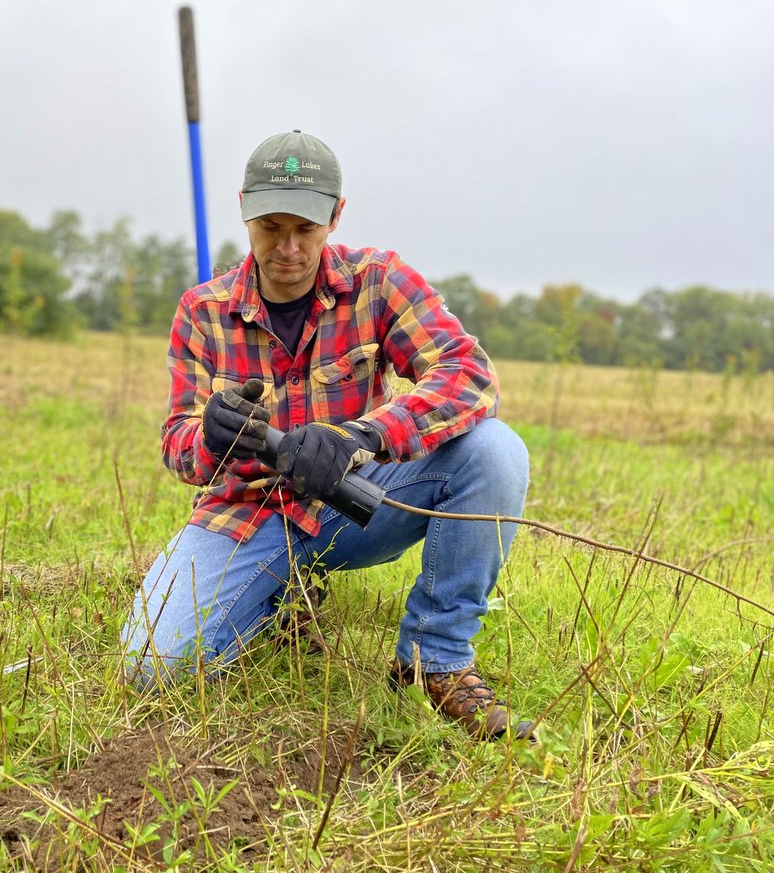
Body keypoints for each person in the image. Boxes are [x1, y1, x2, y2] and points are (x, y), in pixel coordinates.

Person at [120, 130, 534, 741]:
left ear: (335, 216)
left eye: (305, 229)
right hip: (246, 513)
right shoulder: (202, 311)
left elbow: (468, 374)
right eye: (270, 227)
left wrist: (362, 435)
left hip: (356, 501)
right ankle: (275, 602)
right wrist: (207, 437)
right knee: (152, 669)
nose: (287, 248)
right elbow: (179, 447)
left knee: (496, 452)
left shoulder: (378, 280)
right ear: (244, 211)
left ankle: (434, 659)